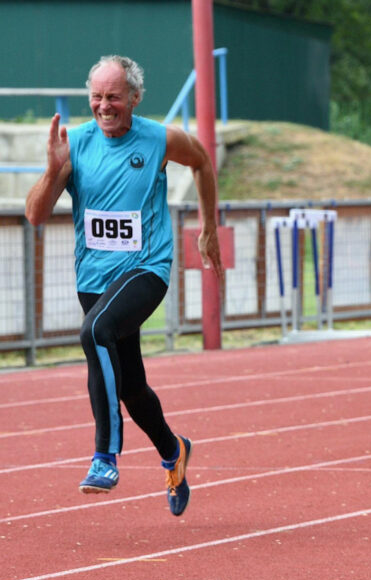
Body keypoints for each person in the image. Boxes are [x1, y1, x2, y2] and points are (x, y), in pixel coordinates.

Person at [24, 55, 223, 515]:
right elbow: (34, 215)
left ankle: (105, 454)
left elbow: (202, 162)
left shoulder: (159, 139)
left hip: (145, 270)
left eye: (114, 97)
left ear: (134, 97)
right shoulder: (74, 145)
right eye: (96, 97)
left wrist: (208, 225)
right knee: (132, 387)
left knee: (94, 332)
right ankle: (174, 451)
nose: (104, 106)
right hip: (94, 280)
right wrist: (55, 171)